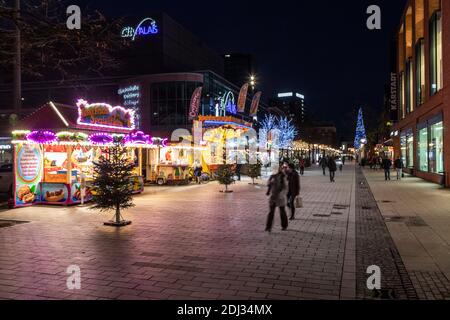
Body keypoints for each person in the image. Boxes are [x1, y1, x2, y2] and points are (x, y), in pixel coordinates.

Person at [265, 166, 289, 232]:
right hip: (273, 196)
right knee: (271, 212)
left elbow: (285, 187)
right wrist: (270, 183)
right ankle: (268, 227)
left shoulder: (283, 176)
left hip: (280, 197)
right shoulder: (272, 176)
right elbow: (267, 183)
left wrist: (281, 194)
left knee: (282, 212)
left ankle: (284, 225)